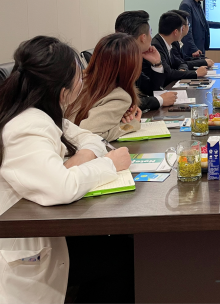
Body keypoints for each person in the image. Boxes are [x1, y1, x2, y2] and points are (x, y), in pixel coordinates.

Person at [0, 36, 131, 304]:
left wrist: (76, 161)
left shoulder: (42, 111)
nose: (83, 80)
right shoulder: (27, 125)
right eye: (79, 75)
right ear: (63, 91)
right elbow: (62, 188)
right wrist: (110, 164)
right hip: (24, 249)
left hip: (45, 227)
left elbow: (92, 139)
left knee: (119, 247)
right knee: (123, 256)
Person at [66, 33, 143, 142]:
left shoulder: (77, 79)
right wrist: (130, 125)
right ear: (132, 66)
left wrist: (115, 120)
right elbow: (87, 135)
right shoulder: (120, 96)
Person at [115, 11, 177, 111]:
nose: (151, 38)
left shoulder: (132, 57)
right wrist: (160, 100)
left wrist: (157, 64)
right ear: (143, 38)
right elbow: (124, 104)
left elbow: (151, 90)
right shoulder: (116, 61)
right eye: (150, 33)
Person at [152, 12, 210, 86]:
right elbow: (168, 73)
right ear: (176, 32)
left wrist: (183, 70)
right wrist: (195, 73)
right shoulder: (156, 45)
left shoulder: (167, 43)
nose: (182, 30)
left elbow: (180, 62)